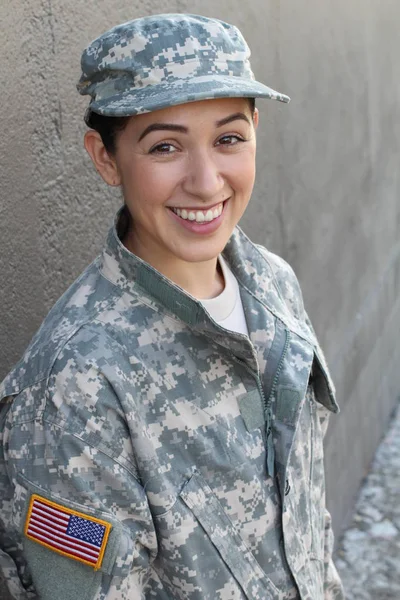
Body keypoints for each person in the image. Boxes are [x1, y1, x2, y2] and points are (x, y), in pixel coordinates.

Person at [0, 13, 345, 600]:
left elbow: (306, 523)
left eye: (228, 138)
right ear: (106, 158)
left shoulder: (271, 284)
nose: (207, 182)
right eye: (165, 147)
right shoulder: (74, 382)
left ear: (256, 131)